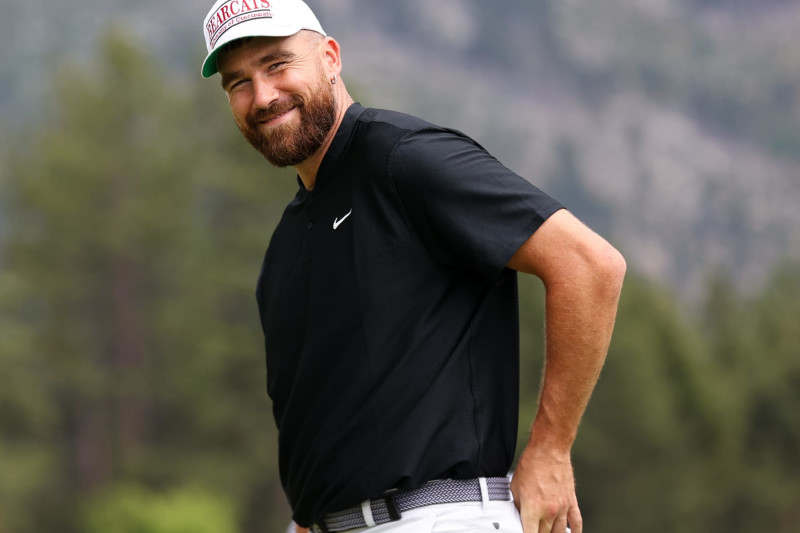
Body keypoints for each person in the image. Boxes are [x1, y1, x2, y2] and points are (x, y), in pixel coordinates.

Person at [200, 1, 626, 532]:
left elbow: (589, 265)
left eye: (277, 64)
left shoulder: (402, 158)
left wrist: (551, 451)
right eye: (237, 83)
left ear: (330, 57)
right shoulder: (287, 242)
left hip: (440, 517)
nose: (262, 96)